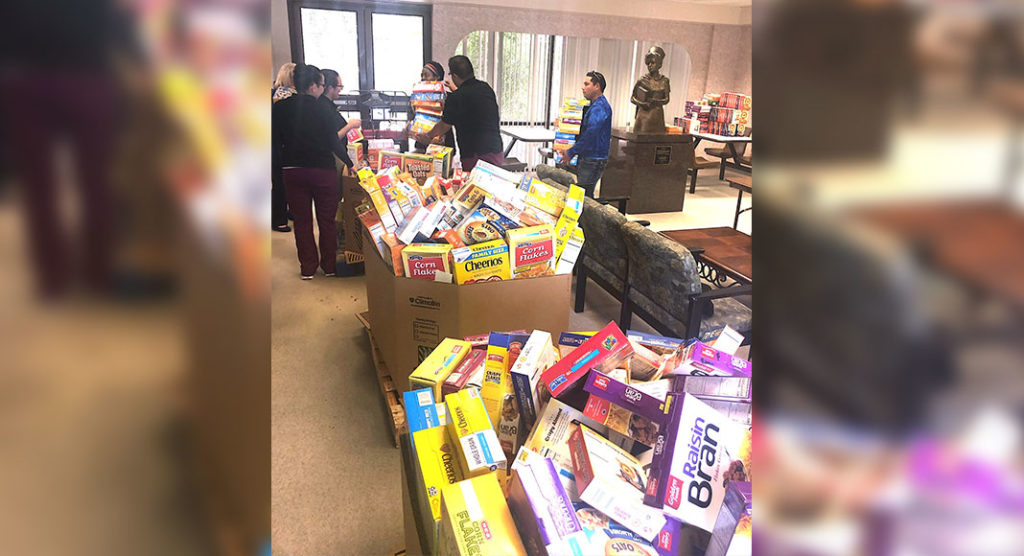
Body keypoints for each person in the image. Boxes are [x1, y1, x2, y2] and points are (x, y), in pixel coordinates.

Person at [272, 64, 354, 279]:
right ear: (316, 86)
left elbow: (274, 141)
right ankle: (328, 266)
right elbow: (332, 142)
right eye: (321, 84)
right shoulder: (322, 108)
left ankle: (307, 268)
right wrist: (350, 163)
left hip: (292, 171)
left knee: (302, 221)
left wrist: (281, 164)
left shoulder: (279, 107)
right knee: (326, 219)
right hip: (322, 170)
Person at [415, 55, 503, 172]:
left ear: (455, 76)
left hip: (476, 155)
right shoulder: (485, 88)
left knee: (475, 187)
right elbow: (470, 100)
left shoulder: (456, 97)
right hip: (496, 150)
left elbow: (443, 126)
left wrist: (427, 136)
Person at [564, 71, 611, 199]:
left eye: (586, 84)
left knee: (581, 197)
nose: (582, 87)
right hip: (590, 157)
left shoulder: (599, 107)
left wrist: (571, 151)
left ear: (597, 86)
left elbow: (591, 134)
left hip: (593, 159)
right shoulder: (594, 106)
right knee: (584, 196)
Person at [412, 61, 455, 152]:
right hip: (422, 143)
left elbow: (449, 120)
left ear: (437, 77)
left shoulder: (448, 97)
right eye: (422, 75)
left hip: (443, 143)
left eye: (426, 75)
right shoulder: (418, 96)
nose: (423, 78)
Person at [631, 46, 670, 134]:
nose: (650, 66)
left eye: (653, 63)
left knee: (656, 143)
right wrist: (643, 104)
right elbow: (632, 98)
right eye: (648, 63)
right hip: (643, 116)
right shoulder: (642, 80)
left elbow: (666, 99)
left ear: (659, 64)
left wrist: (655, 101)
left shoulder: (664, 81)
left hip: (657, 117)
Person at [319, 68, 361, 141]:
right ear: (330, 87)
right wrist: (350, 126)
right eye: (339, 86)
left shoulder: (329, 105)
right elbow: (331, 139)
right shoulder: (323, 108)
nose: (341, 89)